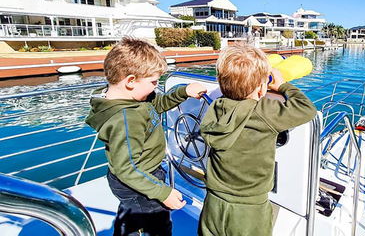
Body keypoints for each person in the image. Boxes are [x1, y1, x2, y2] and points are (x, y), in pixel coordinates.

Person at [85, 37, 206, 236]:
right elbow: (127, 169)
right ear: (130, 81)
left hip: (139, 177)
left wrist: (183, 92)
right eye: (153, 82)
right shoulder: (125, 119)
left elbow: (156, 106)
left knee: (131, 217)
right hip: (138, 181)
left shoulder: (134, 99)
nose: (156, 87)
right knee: (157, 225)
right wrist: (163, 192)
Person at [198, 43, 317, 235]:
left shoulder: (216, 108)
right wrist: (282, 85)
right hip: (250, 209)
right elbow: (307, 109)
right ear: (262, 90)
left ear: (221, 84)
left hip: (213, 202)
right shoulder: (265, 111)